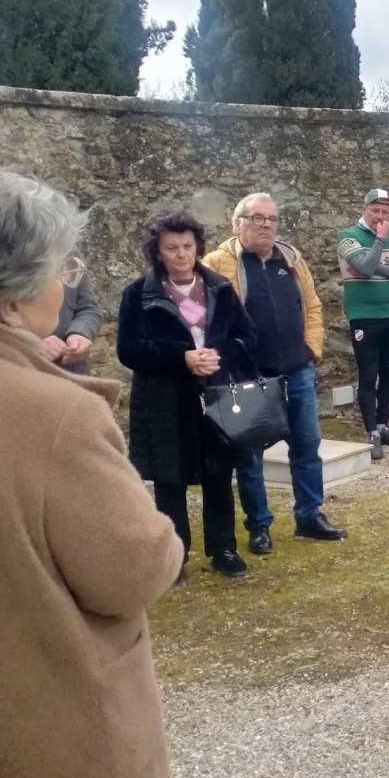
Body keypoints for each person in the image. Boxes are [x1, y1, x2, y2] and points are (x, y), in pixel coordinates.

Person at [0, 171, 184, 778]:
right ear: (15, 299)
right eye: (62, 268)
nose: (68, 284)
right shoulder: (52, 414)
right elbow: (133, 568)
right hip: (47, 740)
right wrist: (165, 536)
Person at [118, 211, 258, 578]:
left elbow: (247, 336)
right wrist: (181, 359)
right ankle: (173, 557)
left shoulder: (220, 288)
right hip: (165, 399)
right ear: (157, 251)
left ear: (197, 247)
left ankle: (224, 548)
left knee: (218, 474)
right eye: (171, 248)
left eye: (187, 246)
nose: (181, 254)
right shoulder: (138, 294)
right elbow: (129, 350)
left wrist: (218, 355)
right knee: (170, 480)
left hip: (215, 394)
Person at [205, 194, 346, 555]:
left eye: (271, 219)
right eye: (256, 218)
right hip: (248, 376)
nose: (266, 225)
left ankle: (309, 515)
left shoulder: (291, 259)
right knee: (250, 455)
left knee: (306, 446)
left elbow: (312, 306)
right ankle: (259, 526)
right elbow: (206, 319)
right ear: (237, 224)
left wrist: (312, 346)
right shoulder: (218, 264)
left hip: (296, 369)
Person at [336, 188, 389, 459]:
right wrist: (379, 241)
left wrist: (371, 265)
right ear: (364, 209)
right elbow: (365, 269)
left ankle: (383, 426)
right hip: (363, 317)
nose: (379, 217)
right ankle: (372, 432)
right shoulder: (348, 236)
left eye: (385, 212)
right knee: (369, 375)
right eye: (374, 211)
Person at [41, 260, 101, 374]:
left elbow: (88, 308)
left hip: (74, 373)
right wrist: (28, 344)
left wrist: (80, 333)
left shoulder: (68, 248)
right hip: (21, 377)